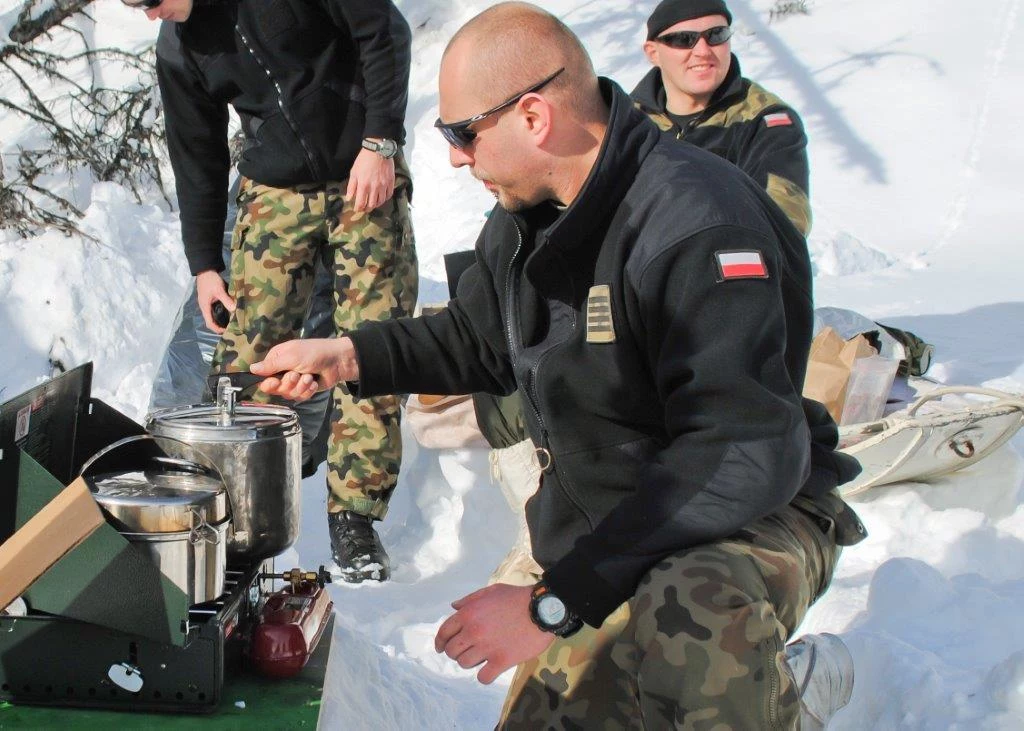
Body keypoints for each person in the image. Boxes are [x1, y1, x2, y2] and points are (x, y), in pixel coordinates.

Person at [252, 2, 866, 726]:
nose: (454, 156)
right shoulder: (526, 213)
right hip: (623, 529)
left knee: (688, 616)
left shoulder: (695, 224)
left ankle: (787, 698)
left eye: (462, 133)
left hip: (744, 521)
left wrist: (553, 602)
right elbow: (479, 339)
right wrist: (350, 354)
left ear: (535, 117)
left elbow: (737, 451)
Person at [136, 0, 418, 582]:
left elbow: (383, 30)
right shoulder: (179, 43)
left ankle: (354, 520)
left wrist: (381, 142)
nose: (146, 13)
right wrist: (205, 265)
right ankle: (232, 506)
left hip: (359, 171)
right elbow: (196, 151)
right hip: (274, 189)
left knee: (372, 344)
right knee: (247, 355)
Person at [632, 0, 813, 235]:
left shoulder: (765, 120)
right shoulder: (627, 120)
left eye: (716, 35)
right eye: (684, 39)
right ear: (653, 53)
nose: (703, 51)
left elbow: (785, 218)